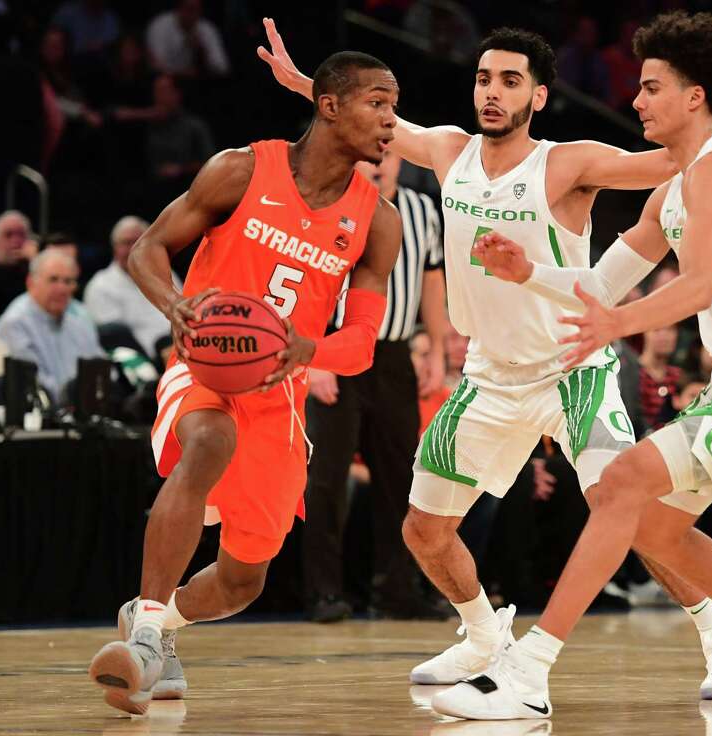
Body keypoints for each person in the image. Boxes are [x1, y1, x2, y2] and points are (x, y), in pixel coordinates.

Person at [259, 16, 712, 699]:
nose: (493, 93)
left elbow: (674, 161)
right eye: (483, 79)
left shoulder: (570, 162)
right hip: (490, 375)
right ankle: (483, 633)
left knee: (633, 515)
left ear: (537, 96)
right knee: (424, 530)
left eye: (510, 81)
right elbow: (380, 128)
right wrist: (304, 84)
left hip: (574, 369)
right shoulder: (449, 150)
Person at [439, 11, 712, 718]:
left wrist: (615, 326)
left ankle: (528, 673)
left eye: (652, 87)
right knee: (652, 524)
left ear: (693, 97)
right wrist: (530, 271)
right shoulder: (674, 187)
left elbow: (698, 286)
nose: (636, 100)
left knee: (619, 485)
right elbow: (599, 284)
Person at [86, 50, 401, 715]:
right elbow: (148, 249)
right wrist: (175, 307)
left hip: (280, 399)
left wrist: (312, 347)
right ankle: (144, 638)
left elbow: (362, 347)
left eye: (394, 104)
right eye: (377, 101)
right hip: (202, 370)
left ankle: (163, 626)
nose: (390, 119)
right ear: (330, 104)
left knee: (242, 581)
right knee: (208, 442)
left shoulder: (377, 220)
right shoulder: (239, 169)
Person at [301, 147, 449, 622]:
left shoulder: (422, 209)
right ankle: (324, 591)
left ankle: (396, 590)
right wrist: (315, 356)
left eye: (390, 155)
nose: (381, 163)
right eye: (372, 156)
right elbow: (309, 282)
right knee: (326, 478)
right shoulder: (330, 204)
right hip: (336, 353)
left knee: (401, 480)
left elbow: (432, 281)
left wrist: (439, 350)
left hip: (394, 354)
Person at [0, 249, 103, 404]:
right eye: (53, 280)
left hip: (85, 413)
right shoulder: (13, 324)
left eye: (68, 281)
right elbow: (35, 386)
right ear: (30, 283)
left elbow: (101, 372)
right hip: (41, 421)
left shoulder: (81, 323)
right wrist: (75, 396)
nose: (62, 289)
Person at [84, 215, 178, 359]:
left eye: (138, 241)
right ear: (115, 247)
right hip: (138, 365)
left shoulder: (166, 273)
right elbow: (115, 340)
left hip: (178, 348)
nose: (133, 248)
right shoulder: (100, 286)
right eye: (126, 243)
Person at [146, 0, 230, 78]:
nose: (192, 14)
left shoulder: (207, 28)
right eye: (189, 8)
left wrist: (202, 51)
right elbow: (157, 65)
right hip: (168, 79)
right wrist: (183, 74)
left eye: (196, 9)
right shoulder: (161, 25)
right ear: (179, 8)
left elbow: (222, 68)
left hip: (195, 82)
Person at [0, 210, 33, 319]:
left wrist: (35, 262)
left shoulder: (34, 270)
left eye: (21, 234)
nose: (16, 241)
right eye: (8, 235)